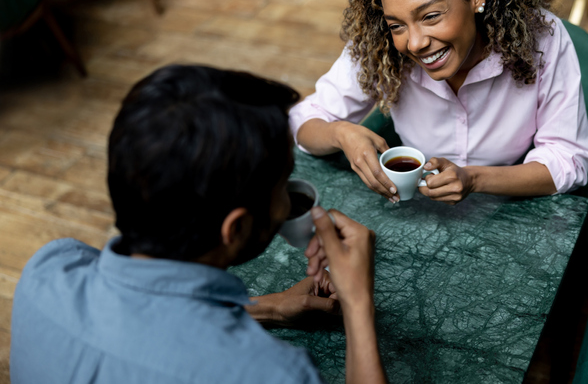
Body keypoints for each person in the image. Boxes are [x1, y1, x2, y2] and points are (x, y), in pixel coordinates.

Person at [10, 65, 386, 384]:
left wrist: (268, 307)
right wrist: (357, 304)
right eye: (283, 184)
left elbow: (138, 317)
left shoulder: (48, 268)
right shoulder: (271, 372)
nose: (290, 197)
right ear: (234, 229)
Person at [290, 0, 588, 205]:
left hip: (510, 208)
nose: (416, 43)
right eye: (397, 25)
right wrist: (341, 133)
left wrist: (475, 179)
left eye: (431, 16)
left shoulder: (544, 40)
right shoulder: (378, 45)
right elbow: (304, 122)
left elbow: (568, 160)